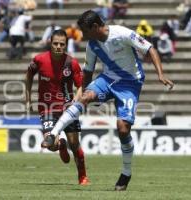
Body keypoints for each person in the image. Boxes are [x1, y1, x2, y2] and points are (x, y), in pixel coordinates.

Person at [42, 10, 174, 191]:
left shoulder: (122, 33)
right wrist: (84, 95)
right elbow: (88, 71)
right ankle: (53, 134)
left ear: (95, 27)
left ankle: (126, 173)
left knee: (122, 128)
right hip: (107, 79)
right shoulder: (92, 45)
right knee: (85, 97)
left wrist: (160, 74)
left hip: (130, 83)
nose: (83, 35)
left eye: (85, 31)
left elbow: (150, 48)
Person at [25, 29, 89, 185]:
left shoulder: (71, 63)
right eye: (56, 43)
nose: (59, 46)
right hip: (47, 108)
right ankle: (60, 145)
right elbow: (28, 76)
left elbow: (81, 85)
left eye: (62, 44)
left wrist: (76, 98)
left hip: (68, 108)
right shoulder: (39, 60)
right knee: (50, 144)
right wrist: (28, 100)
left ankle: (82, 176)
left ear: (66, 45)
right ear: (50, 43)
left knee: (75, 144)